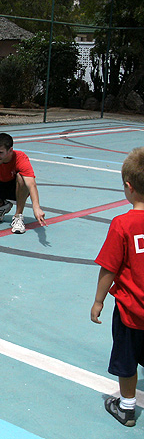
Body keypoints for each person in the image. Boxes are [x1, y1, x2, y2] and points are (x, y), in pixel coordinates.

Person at [90, 146, 144, 427]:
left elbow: (109, 267)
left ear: (128, 187)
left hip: (130, 312)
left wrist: (98, 300)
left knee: (127, 361)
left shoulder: (122, 224)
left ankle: (126, 407)